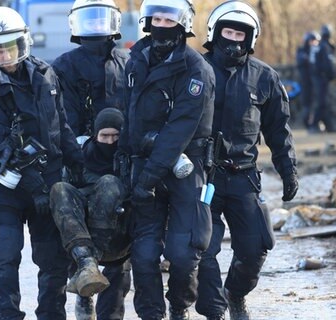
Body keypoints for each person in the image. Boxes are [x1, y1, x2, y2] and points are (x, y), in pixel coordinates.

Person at [0, 6, 84, 319]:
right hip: (7, 188)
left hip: (49, 183)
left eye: (9, 47)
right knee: (4, 255)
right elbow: (1, 149)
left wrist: (82, 168)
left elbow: (62, 129)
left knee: (53, 259)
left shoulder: (46, 74)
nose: (4, 55)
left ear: (22, 43)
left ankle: (52, 314)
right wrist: (36, 187)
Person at [195, 1, 298, 319]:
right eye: (228, 32)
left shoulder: (265, 77)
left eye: (241, 34)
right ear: (215, 33)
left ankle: (235, 294)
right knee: (202, 248)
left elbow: (279, 131)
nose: (234, 40)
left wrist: (288, 170)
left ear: (251, 38)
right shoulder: (193, 70)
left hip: (244, 176)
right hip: (202, 176)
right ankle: (214, 311)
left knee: (257, 245)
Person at [119, 0, 215, 318]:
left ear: (183, 23)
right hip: (143, 165)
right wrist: (127, 167)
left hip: (187, 167)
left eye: (168, 19)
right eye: (156, 18)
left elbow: (179, 129)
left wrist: (147, 178)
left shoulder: (196, 69)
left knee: (184, 252)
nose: (161, 24)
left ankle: (179, 305)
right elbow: (128, 117)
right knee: (144, 255)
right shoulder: (135, 61)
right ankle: (151, 313)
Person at [50, 108, 132, 319]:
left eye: (116, 136)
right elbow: (67, 205)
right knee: (60, 189)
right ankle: (87, 271)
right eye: (105, 136)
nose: (110, 141)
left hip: (118, 236)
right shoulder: (80, 158)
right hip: (82, 242)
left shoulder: (130, 161)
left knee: (109, 183)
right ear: (96, 135)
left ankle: (89, 268)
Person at [51, 0, 129, 137]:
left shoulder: (128, 63)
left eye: (101, 21)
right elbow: (66, 115)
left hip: (124, 143)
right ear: (76, 23)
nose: (97, 27)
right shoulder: (64, 66)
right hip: (83, 145)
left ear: (113, 21)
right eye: (90, 22)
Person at [310, 23, 336, 133]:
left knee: (325, 103)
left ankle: (329, 126)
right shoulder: (324, 47)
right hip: (322, 78)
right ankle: (314, 125)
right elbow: (327, 64)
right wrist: (331, 73)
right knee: (322, 102)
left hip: (321, 78)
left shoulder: (323, 46)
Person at [296, 31, 320, 129]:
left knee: (315, 103)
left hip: (314, 82)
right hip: (306, 82)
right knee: (307, 104)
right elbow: (302, 62)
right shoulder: (302, 51)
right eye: (313, 41)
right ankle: (307, 124)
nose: (315, 43)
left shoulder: (315, 51)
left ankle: (314, 123)